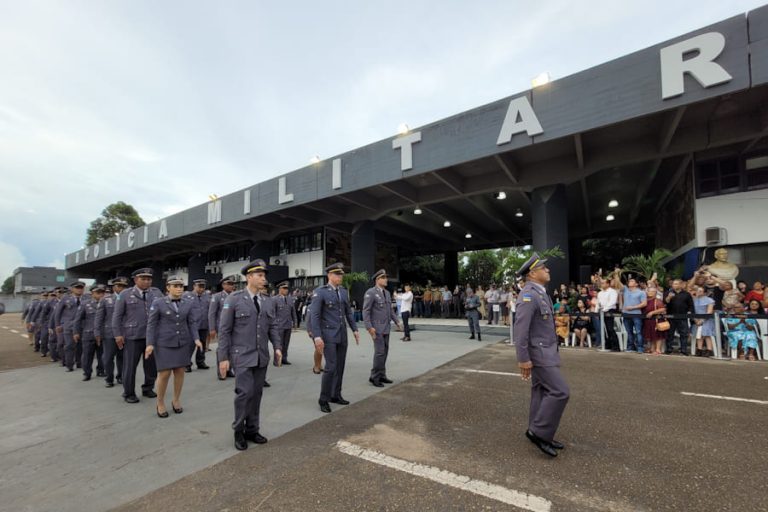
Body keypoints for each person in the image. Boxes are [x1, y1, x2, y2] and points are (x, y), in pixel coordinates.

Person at [217, 260, 282, 450]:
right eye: (260, 275)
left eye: (264, 275)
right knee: (244, 394)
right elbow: (225, 331)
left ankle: (252, 429)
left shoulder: (267, 300)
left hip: (261, 356)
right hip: (242, 355)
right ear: (249, 277)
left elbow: (273, 327)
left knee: (257, 394)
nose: (264, 279)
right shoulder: (234, 299)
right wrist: (223, 358)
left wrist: (277, 346)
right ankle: (238, 430)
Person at [514, 253, 569, 458]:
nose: (548, 270)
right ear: (533, 273)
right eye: (544, 268)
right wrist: (523, 359)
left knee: (541, 391)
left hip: (546, 351)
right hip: (539, 354)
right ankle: (540, 432)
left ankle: (534, 429)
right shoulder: (528, 295)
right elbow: (521, 330)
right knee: (560, 391)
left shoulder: (540, 292)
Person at [146, 276, 203, 418]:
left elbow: (192, 323)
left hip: (182, 342)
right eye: (176, 286)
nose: (179, 289)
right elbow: (151, 325)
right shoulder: (158, 302)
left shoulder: (188, 302)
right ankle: (160, 402)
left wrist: (196, 338)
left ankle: (176, 399)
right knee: (164, 374)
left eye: (181, 286)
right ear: (168, 288)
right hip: (164, 342)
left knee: (180, 371)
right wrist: (150, 344)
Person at [310, 263, 360, 414]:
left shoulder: (343, 292)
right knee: (330, 367)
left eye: (341, 274)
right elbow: (315, 315)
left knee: (340, 367)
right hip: (328, 335)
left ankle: (335, 395)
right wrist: (317, 336)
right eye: (337, 274)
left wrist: (355, 329)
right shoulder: (320, 292)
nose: (340, 277)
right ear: (329, 276)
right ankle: (323, 399)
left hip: (342, 334)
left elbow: (348, 313)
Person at [112, 268, 164, 403]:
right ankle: (128, 392)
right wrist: (117, 334)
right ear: (135, 280)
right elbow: (117, 317)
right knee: (130, 366)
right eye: (143, 279)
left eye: (149, 279)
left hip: (152, 336)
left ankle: (148, 388)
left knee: (151, 365)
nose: (147, 281)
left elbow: (163, 312)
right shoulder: (125, 294)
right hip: (132, 336)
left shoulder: (156, 293)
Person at [363, 269, 402, 388]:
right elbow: (366, 311)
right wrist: (369, 327)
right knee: (379, 353)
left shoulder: (387, 293)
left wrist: (397, 321)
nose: (386, 279)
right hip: (376, 328)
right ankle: (374, 377)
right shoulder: (371, 292)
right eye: (383, 277)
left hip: (386, 327)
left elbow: (390, 310)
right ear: (377, 279)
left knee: (384, 352)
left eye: (386, 277)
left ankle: (382, 375)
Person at [96, 277, 127, 388]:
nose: (121, 288)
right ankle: (109, 378)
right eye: (119, 286)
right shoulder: (105, 299)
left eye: (123, 286)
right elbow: (99, 318)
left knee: (122, 357)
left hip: (124, 333)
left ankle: (121, 376)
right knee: (108, 357)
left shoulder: (128, 298)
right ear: (114, 287)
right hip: (109, 333)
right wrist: (97, 332)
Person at [74, 284, 106, 381]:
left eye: (102, 293)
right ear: (92, 293)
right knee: (87, 355)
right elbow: (77, 319)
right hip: (88, 333)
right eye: (98, 293)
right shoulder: (85, 304)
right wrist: (76, 332)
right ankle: (87, 373)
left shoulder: (107, 303)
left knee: (102, 354)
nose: (101, 295)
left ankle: (101, 370)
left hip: (102, 334)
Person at [54, 280, 86, 372]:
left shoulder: (87, 298)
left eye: (81, 288)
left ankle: (79, 362)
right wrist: (58, 325)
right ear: (72, 289)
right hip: (68, 325)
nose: (79, 290)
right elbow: (58, 313)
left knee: (80, 345)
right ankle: (69, 365)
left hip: (82, 325)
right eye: (77, 288)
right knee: (69, 345)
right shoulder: (65, 298)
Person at [209, 275, 237, 380]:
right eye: (229, 284)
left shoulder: (235, 296)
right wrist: (212, 328)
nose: (231, 286)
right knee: (222, 349)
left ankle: (229, 369)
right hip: (222, 327)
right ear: (223, 285)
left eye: (232, 284)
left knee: (232, 349)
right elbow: (211, 314)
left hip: (234, 327)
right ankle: (221, 372)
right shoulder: (217, 297)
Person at [183, 279, 211, 373]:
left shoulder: (207, 296)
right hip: (192, 325)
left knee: (202, 344)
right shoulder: (186, 296)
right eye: (199, 286)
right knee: (190, 345)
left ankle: (200, 361)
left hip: (203, 324)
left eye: (203, 286)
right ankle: (186, 364)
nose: (201, 288)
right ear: (194, 286)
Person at [616, 276, 647, 353]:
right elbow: (618, 282)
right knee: (629, 332)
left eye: (632, 281)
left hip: (636, 314)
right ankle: (631, 347)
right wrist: (616, 274)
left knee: (638, 331)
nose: (630, 282)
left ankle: (640, 348)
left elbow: (644, 303)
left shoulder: (641, 292)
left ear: (636, 284)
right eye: (629, 281)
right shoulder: (626, 290)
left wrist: (633, 307)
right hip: (626, 314)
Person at [664, 279, 694, 355]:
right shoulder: (668, 293)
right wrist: (669, 297)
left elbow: (691, 305)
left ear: (681, 285)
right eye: (674, 284)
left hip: (682, 317)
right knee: (670, 333)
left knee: (684, 334)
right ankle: (669, 349)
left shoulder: (686, 294)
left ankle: (683, 350)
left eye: (677, 284)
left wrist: (690, 312)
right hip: (670, 317)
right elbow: (665, 303)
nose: (675, 285)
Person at [272, 281, 297, 365]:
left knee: (286, 343)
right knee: (279, 343)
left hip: (288, 324)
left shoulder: (290, 299)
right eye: (284, 288)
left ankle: (284, 358)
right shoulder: (274, 299)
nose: (286, 290)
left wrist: (295, 322)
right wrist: (274, 325)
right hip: (279, 325)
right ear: (280, 289)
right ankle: (277, 360)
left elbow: (293, 311)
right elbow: (273, 313)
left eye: (287, 288)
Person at [641, 286, 667, 355]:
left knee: (658, 335)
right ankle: (652, 348)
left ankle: (658, 349)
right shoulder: (645, 300)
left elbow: (663, 309)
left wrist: (652, 312)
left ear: (655, 293)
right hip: (648, 320)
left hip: (656, 320)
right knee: (651, 335)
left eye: (652, 291)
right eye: (649, 291)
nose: (650, 293)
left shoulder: (657, 301)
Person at [597, 278, 620, 351]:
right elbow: (598, 302)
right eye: (601, 283)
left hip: (609, 310)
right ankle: (607, 345)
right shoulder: (600, 293)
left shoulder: (612, 291)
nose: (602, 284)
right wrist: (597, 311)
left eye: (603, 283)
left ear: (608, 284)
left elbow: (612, 302)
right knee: (603, 329)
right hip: (601, 311)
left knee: (610, 329)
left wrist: (604, 309)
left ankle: (616, 346)